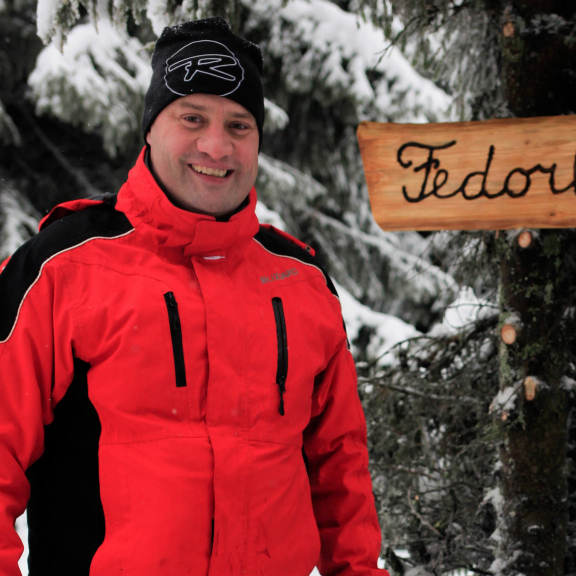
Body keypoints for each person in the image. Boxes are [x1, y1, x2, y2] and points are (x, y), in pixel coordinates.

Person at [0, 18, 387, 576]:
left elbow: (340, 469)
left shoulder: (300, 282)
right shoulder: (62, 267)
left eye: (239, 125)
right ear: (151, 127)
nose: (216, 145)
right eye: (192, 118)